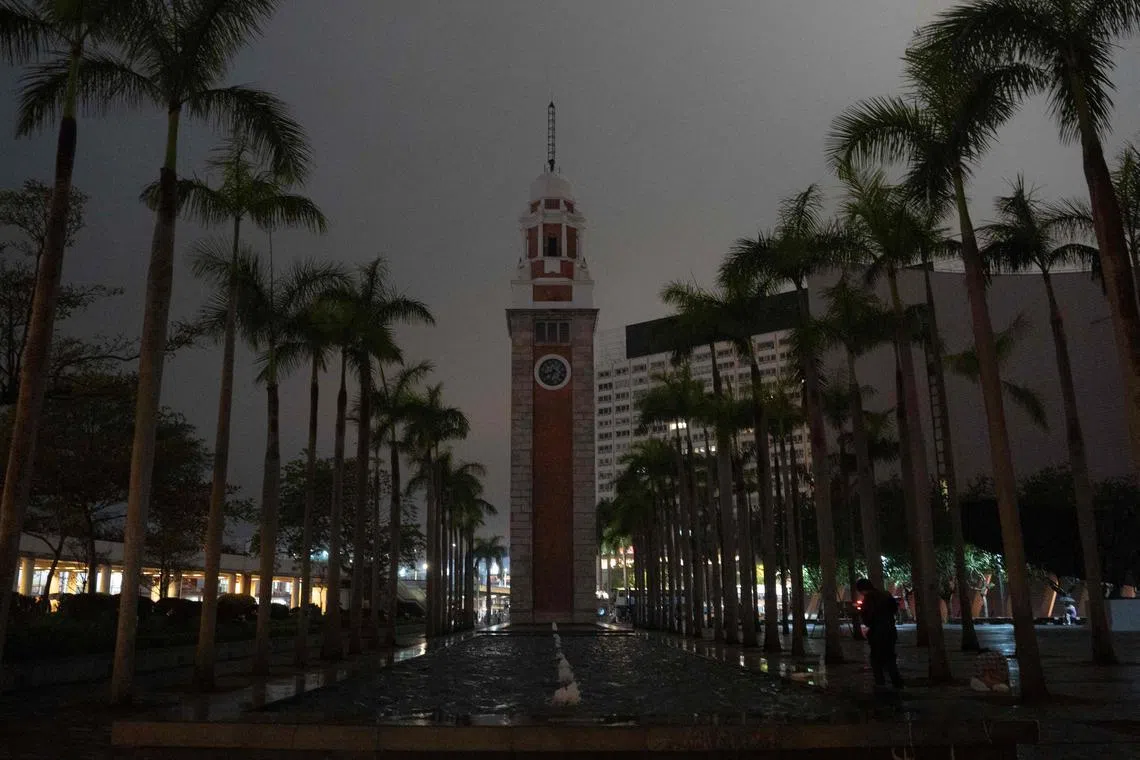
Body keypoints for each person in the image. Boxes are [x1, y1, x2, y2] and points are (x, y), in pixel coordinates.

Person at [856, 578, 903, 690]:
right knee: (890, 658)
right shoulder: (886, 594)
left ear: (862, 590)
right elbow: (894, 609)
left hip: (877, 633)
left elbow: (867, 618)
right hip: (890, 631)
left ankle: (880, 683)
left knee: (876, 659)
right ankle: (897, 682)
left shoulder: (869, 598)